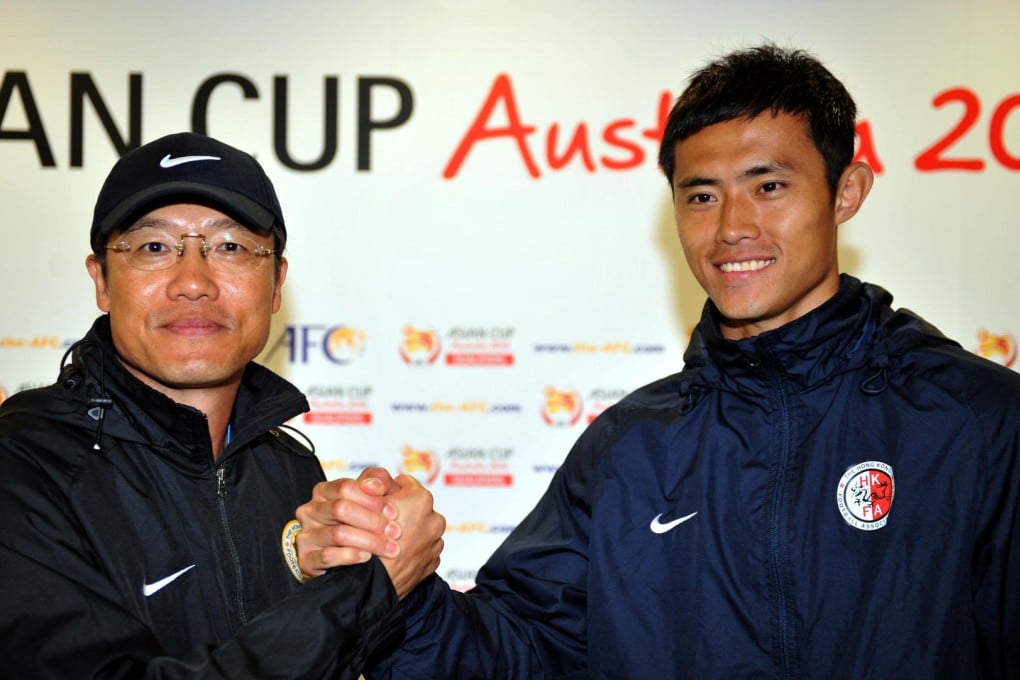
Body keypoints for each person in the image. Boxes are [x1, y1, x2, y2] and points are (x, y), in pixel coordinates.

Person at [318, 44, 1020, 677]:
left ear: (847, 192)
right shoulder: (629, 446)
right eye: (702, 196)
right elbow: (522, 652)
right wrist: (405, 594)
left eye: (769, 186)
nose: (732, 227)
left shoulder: (979, 421)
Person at [0, 132, 444, 678]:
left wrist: (380, 556)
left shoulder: (290, 468)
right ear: (102, 282)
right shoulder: (25, 464)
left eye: (231, 247)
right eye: (154, 247)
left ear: (276, 284)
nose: (193, 283)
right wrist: (367, 593)